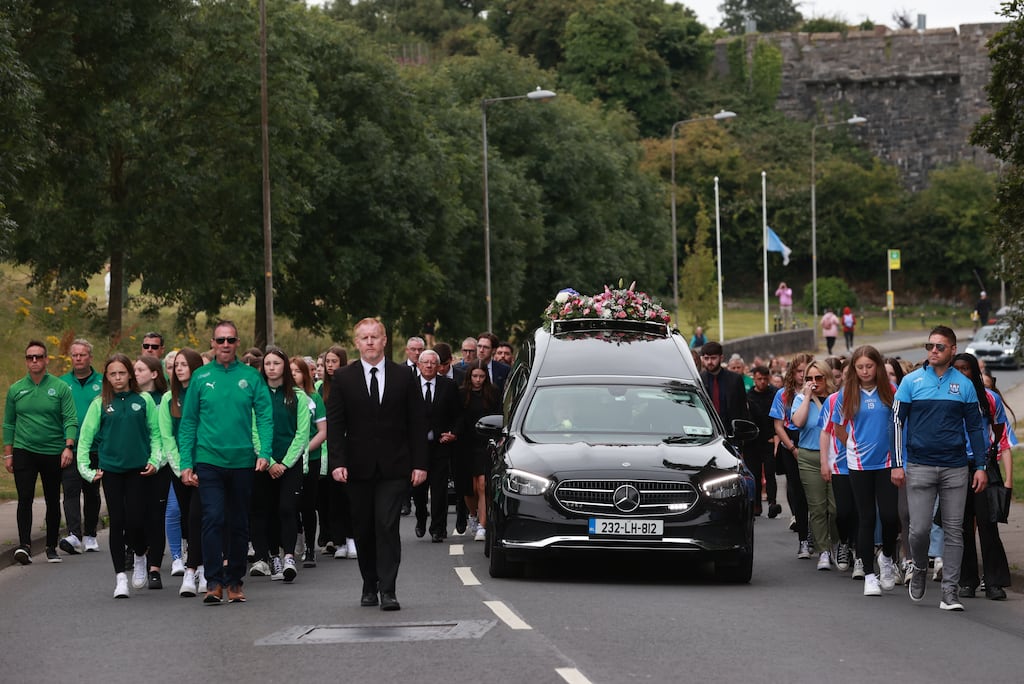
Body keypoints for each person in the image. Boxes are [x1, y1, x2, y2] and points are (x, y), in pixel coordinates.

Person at [326, 318, 428, 611]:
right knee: (364, 528)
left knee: (386, 525)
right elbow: (336, 423)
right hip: (357, 468)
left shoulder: (404, 377)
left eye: (375, 337)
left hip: (395, 467)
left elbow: (417, 422)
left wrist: (420, 463)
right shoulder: (344, 378)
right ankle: (369, 585)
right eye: (364, 338)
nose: (370, 342)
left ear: (385, 341)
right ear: (356, 343)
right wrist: (337, 461)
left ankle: (388, 590)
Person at [178, 321, 274, 605]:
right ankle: (213, 582)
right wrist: (186, 462)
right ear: (213, 342)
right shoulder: (200, 377)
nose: (225, 345)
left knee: (238, 522)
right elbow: (189, 423)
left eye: (230, 340)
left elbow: (266, 416)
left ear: (237, 342)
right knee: (212, 519)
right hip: (208, 459)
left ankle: (234, 581)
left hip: (243, 460)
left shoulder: (251, 377)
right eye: (220, 340)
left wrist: (264, 452)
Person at [893, 326, 988, 611]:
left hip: (955, 467)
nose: (933, 351)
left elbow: (974, 427)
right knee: (919, 530)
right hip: (920, 465)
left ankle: (950, 592)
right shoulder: (911, 381)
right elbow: (897, 423)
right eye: (930, 346)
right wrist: (898, 463)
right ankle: (920, 567)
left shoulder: (965, 385)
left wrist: (981, 465)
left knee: (955, 530)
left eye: (939, 347)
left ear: (953, 350)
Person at [76, 354, 161, 598]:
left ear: (130, 374)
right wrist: (87, 470)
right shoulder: (99, 403)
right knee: (118, 521)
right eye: (112, 374)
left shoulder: (143, 400)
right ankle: (120, 578)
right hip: (111, 471)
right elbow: (85, 439)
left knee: (136, 520)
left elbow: (155, 434)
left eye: (122, 373)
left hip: (138, 470)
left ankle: (140, 555)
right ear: (107, 377)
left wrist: (155, 460)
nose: (117, 378)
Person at [832, 346, 899, 595]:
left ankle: (888, 557)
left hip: (887, 462)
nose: (864, 371)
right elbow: (838, 428)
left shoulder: (890, 391)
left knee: (891, 517)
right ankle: (870, 574)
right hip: (859, 464)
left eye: (869, 366)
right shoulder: (846, 394)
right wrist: (852, 443)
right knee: (866, 517)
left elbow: (899, 423)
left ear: (877, 367)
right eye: (859, 367)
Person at [4, 341, 78, 564]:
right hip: (24, 450)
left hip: (53, 450)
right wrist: (8, 453)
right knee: (24, 497)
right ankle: (24, 546)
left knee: (53, 499)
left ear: (46, 359)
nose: (34, 361)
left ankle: (50, 546)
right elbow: (9, 423)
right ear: (26, 361)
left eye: (38, 357)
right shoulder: (16, 389)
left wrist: (68, 446)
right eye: (30, 357)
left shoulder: (60, 388)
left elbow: (70, 419)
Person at [953, 353, 1012, 600]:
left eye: (966, 369)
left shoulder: (990, 398)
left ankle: (994, 581)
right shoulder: (947, 396)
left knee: (988, 525)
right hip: (955, 465)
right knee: (963, 526)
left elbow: (1000, 431)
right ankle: (967, 580)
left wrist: (992, 461)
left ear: (974, 372)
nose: (962, 373)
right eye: (957, 369)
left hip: (984, 464)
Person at [249, 348, 309, 584]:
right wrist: (270, 461)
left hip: (290, 463)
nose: (271, 367)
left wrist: (284, 463)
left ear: (285, 366)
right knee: (268, 510)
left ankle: (289, 557)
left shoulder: (297, 396)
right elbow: (253, 430)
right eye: (268, 364)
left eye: (276, 363)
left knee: (287, 508)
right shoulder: (258, 395)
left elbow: (302, 433)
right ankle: (273, 556)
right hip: (264, 462)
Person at [159, 347, 208, 597]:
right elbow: (167, 437)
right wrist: (182, 469)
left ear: (195, 366)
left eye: (183, 364)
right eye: (175, 364)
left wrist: (199, 467)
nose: (178, 368)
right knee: (188, 517)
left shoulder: (204, 393)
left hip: (206, 463)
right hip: (180, 468)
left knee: (199, 516)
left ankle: (196, 570)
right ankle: (196, 564)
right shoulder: (169, 399)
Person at [791, 360, 839, 572]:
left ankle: (838, 543)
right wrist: (807, 397)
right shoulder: (801, 399)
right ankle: (824, 550)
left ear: (827, 378)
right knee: (818, 507)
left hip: (836, 457)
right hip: (810, 456)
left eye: (818, 378)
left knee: (837, 508)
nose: (813, 382)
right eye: (808, 378)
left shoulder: (836, 398)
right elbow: (798, 422)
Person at [58, 338, 103, 555]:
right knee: (71, 491)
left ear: (90, 357)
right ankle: (74, 534)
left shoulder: (103, 383)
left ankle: (91, 534)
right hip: (71, 447)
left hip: (96, 448)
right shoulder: (62, 383)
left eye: (82, 354)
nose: (78, 358)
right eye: (74, 355)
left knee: (92, 492)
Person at [411, 349, 461, 542]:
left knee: (439, 489)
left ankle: (438, 528)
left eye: (433, 363)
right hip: (417, 447)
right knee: (419, 489)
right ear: (419, 365)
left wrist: (453, 433)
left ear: (439, 366)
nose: (430, 366)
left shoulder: (448, 386)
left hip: (440, 445)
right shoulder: (411, 385)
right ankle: (421, 518)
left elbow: (458, 415)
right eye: (426, 362)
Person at [770, 353, 813, 558]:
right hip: (791, 444)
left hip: (813, 442)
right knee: (798, 492)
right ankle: (803, 539)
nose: (803, 375)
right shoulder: (783, 395)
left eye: (807, 371)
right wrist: (792, 448)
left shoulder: (817, 391)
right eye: (799, 371)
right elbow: (778, 425)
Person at [134, 354, 170, 589]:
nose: (135, 373)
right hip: (135, 464)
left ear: (154, 373)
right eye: (134, 370)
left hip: (161, 465)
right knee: (135, 517)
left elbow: (166, 434)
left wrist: (159, 461)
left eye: (140, 370)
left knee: (156, 517)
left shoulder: (165, 398)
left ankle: (154, 568)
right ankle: (138, 552)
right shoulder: (131, 399)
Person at [317, 345, 356, 560]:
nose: (330, 366)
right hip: (326, 448)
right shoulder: (320, 387)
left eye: (334, 361)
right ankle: (338, 539)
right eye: (327, 362)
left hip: (348, 446)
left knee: (349, 495)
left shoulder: (349, 384)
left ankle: (352, 538)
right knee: (332, 499)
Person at [457, 360, 501, 543]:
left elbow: (499, 414)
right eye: (475, 376)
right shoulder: (461, 393)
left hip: (485, 442)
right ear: (469, 376)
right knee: (469, 488)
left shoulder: (492, 392)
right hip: (465, 443)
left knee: (483, 484)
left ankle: (483, 526)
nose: (478, 380)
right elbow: (456, 416)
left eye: (481, 376)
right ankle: (473, 515)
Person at [291, 356, 327, 568]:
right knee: (291, 504)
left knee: (308, 504)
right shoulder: (285, 398)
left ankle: (311, 549)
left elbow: (322, 431)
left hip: (310, 458)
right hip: (289, 460)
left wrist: (305, 449)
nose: (293, 375)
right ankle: (296, 541)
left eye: (297, 371)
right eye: (291, 371)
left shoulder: (314, 398)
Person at [745, 365, 780, 518]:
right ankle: (756, 504)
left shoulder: (774, 394)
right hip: (753, 441)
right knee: (755, 474)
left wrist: (776, 436)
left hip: (770, 439)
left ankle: (772, 502)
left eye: (765, 379)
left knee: (771, 473)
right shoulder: (749, 396)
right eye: (759, 379)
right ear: (754, 379)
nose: (763, 382)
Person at [698, 342, 750, 430]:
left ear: (721, 358)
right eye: (706, 358)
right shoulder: (699, 380)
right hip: (707, 430)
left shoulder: (735, 379)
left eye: (713, 358)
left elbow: (742, 409)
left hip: (731, 431)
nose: (710, 362)